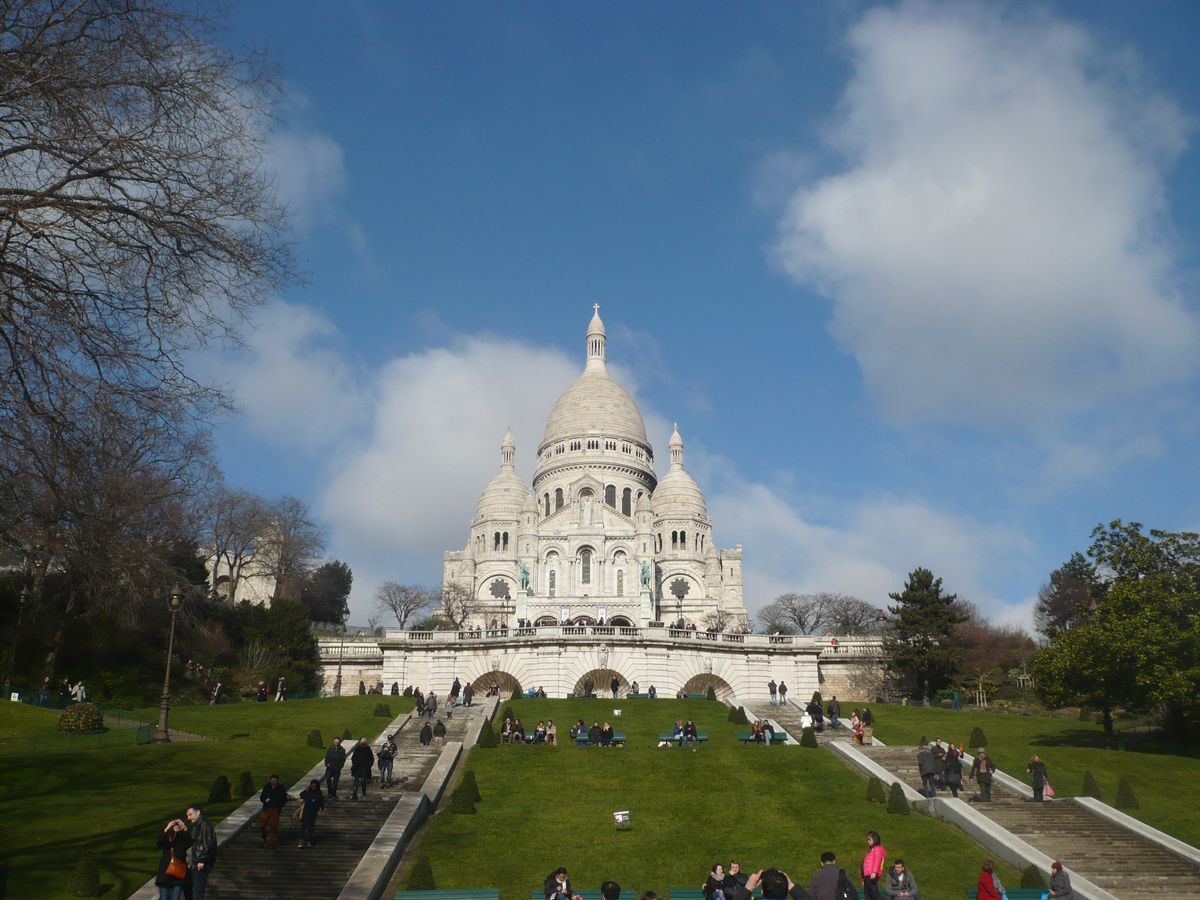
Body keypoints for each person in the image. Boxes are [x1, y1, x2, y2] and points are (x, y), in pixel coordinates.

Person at [155, 817, 191, 900]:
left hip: (178, 872)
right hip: (165, 872)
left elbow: (190, 842)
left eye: (178, 825)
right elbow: (159, 842)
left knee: (176, 897)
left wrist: (185, 828)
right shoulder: (168, 836)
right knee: (164, 898)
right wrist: (167, 828)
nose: (176, 827)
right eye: (174, 825)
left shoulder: (183, 837)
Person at [185, 805, 216, 900]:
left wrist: (201, 860)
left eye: (190, 814)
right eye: (187, 815)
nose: (188, 818)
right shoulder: (198, 826)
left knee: (198, 892)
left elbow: (207, 844)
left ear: (198, 812)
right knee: (192, 889)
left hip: (201, 862)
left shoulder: (204, 824)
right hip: (197, 862)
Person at [258, 774, 287, 847]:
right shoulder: (267, 787)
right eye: (272, 780)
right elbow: (262, 796)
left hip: (275, 809)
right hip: (266, 808)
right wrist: (265, 800)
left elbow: (284, 798)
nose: (273, 782)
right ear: (270, 780)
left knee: (274, 825)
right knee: (262, 824)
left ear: (277, 781)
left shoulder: (280, 788)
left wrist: (279, 805)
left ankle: (271, 841)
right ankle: (263, 835)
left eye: (275, 781)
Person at [297, 778, 325, 847]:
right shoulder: (308, 792)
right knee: (304, 825)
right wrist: (305, 790)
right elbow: (301, 795)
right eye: (312, 786)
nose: (313, 787)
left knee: (311, 826)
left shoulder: (319, 792)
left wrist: (322, 809)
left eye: (315, 786)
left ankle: (310, 840)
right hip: (306, 810)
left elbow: (321, 801)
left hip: (313, 812)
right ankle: (302, 840)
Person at [862, 831, 886, 900]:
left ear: (875, 840)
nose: (868, 842)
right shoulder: (872, 851)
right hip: (867, 876)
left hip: (872, 876)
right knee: (868, 895)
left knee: (875, 894)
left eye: (869, 840)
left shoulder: (878, 849)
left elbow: (877, 861)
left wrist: (874, 872)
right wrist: (864, 878)